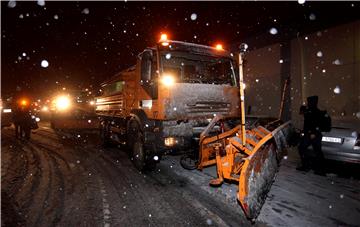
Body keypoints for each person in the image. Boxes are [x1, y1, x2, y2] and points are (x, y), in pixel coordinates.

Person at [297, 96, 325, 175]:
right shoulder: (309, 111)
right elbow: (307, 123)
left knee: (317, 151)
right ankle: (307, 166)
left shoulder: (315, 112)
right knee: (303, 148)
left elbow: (317, 124)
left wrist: (314, 133)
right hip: (309, 134)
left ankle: (319, 169)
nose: (308, 103)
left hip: (314, 135)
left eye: (309, 102)